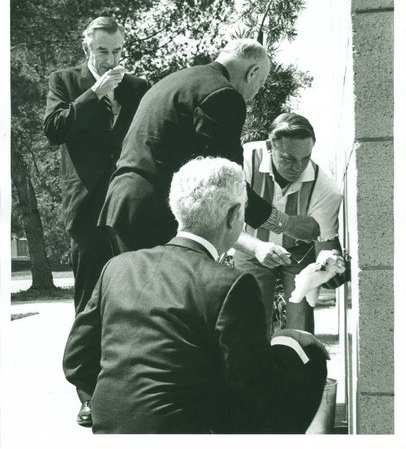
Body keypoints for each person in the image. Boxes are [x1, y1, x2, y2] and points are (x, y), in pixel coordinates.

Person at [63, 156, 329, 434]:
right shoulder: (231, 284)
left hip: (110, 430)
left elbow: (76, 360)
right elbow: (253, 387)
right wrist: (288, 341)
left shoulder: (117, 267)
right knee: (308, 357)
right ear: (233, 215)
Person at [98, 39, 317, 269]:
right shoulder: (223, 94)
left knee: (134, 297)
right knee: (162, 299)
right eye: (260, 84)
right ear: (252, 72)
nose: (254, 95)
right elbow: (227, 181)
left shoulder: (176, 80)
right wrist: (286, 224)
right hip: (154, 213)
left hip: (122, 203)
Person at [44, 16, 150, 425]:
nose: (112, 60)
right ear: (87, 49)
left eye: (118, 51)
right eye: (103, 51)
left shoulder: (138, 88)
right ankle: (88, 393)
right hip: (86, 210)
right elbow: (54, 129)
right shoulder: (65, 81)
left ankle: (130, 385)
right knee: (90, 302)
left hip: (129, 209)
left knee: (134, 301)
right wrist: (94, 92)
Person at [234, 113, 344, 338]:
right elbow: (224, 224)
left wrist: (325, 264)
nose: (298, 167)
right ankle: (256, 371)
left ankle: (298, 369)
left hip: (300, 254)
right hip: (250, 246)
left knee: (300, 325)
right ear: (269, 147)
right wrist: (256, 247)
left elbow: (325, 243)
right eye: (288, 158)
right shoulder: (243, 161)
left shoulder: (326, 188)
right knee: (251, 321)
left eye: (306, 158)